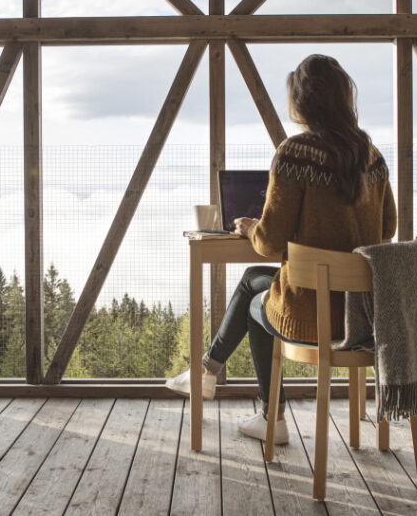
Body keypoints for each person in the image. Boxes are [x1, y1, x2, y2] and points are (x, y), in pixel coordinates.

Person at [166, 54, 397, 444]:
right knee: (255, 280)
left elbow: (271, 242)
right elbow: (388, 228)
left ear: (302, 101)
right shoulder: (371, 156)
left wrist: (252, 227)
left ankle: (271, 418)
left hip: (314, 317)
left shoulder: (295, 154)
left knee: (260, 308)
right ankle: (207, 373)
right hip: (362, 315)